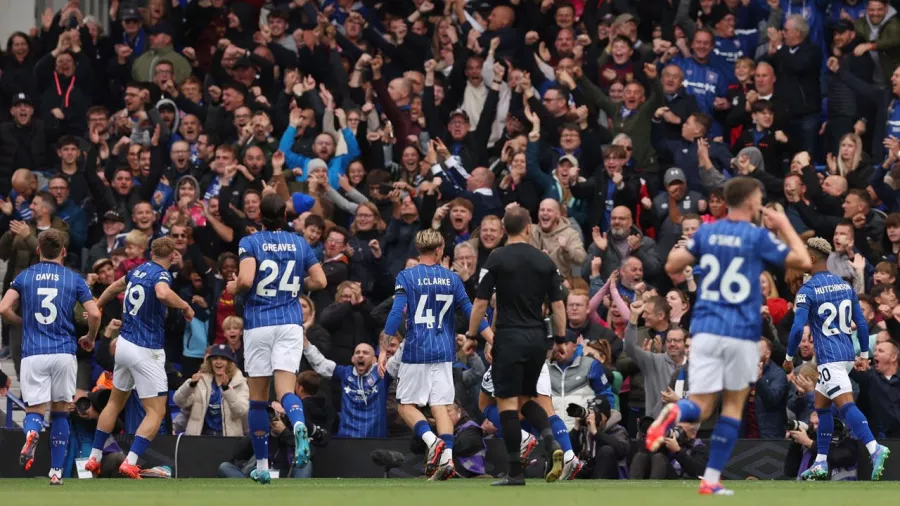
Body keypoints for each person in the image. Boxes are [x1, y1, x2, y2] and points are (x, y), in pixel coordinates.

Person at [645, 177, 812, 495]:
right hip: (741, 332)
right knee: (733, 406)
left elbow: (672, 264)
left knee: (702, 406)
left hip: (705, 329)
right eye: (760, 197)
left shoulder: (707, 232)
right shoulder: (756, 236)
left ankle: (674, 413)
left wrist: (701, 254)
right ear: (751, 201)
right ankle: (710, 479)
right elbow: (803, 261)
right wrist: (782, 224)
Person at [226, 194, 327, 485]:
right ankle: (297, 423)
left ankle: (260, 465)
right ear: (284, 215)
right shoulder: (299, 243)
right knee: (285, 391)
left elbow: (245, 281)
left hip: (259, 322)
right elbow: (320, 281)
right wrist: (296, 283)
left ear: (260, 215)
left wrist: (233, 287)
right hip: (290, 324)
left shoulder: (251, 242)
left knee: (258, 399)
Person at [380, 229, 493, 481]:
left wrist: (383, 347)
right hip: (444, 351)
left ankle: (434, 443)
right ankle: (448, 460)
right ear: (440, 249)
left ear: (418, 250)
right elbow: (471, 310)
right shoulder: (452, 279)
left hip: (416, 349)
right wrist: (492, 340)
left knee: (405, 406)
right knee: (440, 406)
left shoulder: (407, 276)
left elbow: (397, 312)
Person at [467, 205, 565, 486]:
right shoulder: (544, 260)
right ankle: (551, 442)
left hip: (509, 337)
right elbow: (558, 306)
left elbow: (481, 302)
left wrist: (473, 335)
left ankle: (515, 473)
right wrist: (559, 339)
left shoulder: (496, 258)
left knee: (507, 404)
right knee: (527, 398)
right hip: (537, 339)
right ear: (527, 228)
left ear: (504, 230)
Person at [85, 237, 194, 479]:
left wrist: (96, 306)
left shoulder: (137, 271)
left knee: (115, 402)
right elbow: (163, 294)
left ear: (151, 252)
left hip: (123, 344)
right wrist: (185, 306)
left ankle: (94, 458)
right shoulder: (161, 276)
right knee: (155, 412)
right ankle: (131, 461)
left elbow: (113, 287)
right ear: (173, 255)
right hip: (145, 348)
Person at [783, 237, 890, 480]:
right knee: (821, 407)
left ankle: (875, 448)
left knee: (846, 405)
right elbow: (861, 323)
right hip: (846, 355)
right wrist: (864, 354)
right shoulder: (844, 285)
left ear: (810, 259)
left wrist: (789, 358)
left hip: (830, 357)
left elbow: (798, 329)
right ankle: (820, 462)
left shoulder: (807, 290)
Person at [0, 229, 101, 485]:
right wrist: (90, 337)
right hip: (64, 352)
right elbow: (95, 314)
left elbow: (2, 308)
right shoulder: (74, 278)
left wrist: (22, 322)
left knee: (34, 409)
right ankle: (56, 472)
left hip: (34, 352)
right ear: (64, 251)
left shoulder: (25, 276)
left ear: (38, 251)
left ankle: (32, 431)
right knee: (59, 413)